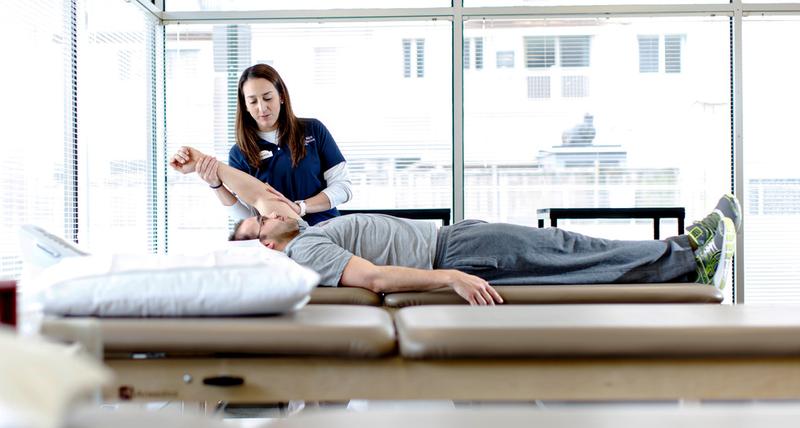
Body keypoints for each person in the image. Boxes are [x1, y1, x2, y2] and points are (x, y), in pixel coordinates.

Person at [170, 146, 741, 306]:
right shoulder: (304, 253)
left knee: (571, 254)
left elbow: (264, 199)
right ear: (267, 242)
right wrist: (450, 279)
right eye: (259, 222)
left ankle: (686, 260)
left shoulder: (303, 230)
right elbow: (372, 279)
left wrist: (208, 171)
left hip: (457, 241)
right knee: (573, 249)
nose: (267, 209)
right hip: (455, 253)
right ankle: (691, 255)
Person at [170, 63, 352, 225]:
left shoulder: (313, 130)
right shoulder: (239, 153)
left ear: (281, 96)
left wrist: (301, 208)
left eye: (267, 98)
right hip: (282, 242)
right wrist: (216, 185)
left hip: (328, 231)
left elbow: (343, 188)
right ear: (245, 106)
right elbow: (249, 216)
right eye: (253, 101)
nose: (262, 108)